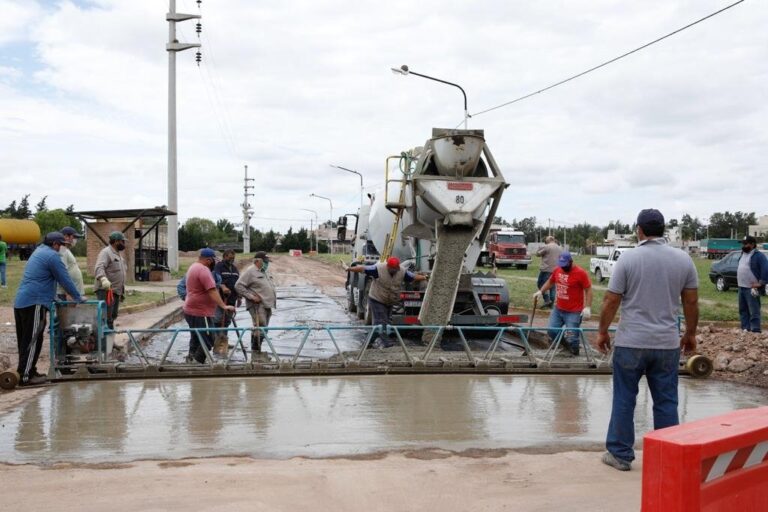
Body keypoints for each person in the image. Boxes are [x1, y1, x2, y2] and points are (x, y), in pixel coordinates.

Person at [597, 208, 698, 472]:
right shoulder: (683, 260)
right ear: (663, 230)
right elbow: (691, 301)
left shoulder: (628, 259)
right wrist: (690, 333)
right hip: (666, 344)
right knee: (666, 401)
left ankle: (620, 455)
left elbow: (611, 300)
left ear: (639, 230)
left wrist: (602, 332)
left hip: (631, 342)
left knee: (624, 398)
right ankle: (668, 458)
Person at [14, 232, 84, 386]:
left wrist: (55, 298)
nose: (62, 248)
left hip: (22, 302)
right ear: (55, 244)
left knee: (25, 340)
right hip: (34, 303)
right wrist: (78, 298)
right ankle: (25, 377)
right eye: (62, 245)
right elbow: (64, 279)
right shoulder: (52, 256)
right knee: (33, 340)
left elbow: (41, 280)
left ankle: (29, 370)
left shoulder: (39, 252)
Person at [343, 256, 428, 347]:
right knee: (381, 321)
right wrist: (349, 268)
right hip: (377, 299)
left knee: (385, 323)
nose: (395, 271)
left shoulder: (402, 271)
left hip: (389, 300)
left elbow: (413, 277)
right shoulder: (378, 269)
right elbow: (362, 268)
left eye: (396, 269)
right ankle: (387, 343)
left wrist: (424, 277)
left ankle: (368, 343)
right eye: (393, 269)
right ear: (388, 267)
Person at [533, 251, 592, 356]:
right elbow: (551, 281)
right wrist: (541, 291)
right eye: (561, 265)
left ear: (571, 261)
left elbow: (588, 290)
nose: (563, 267)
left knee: (572, 336)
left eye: (565, 265)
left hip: (574, 311)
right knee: (552, 331)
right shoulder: (557, 270)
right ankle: (566, 347)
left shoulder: (580, 273)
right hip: (558, 308)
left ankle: (574, 353)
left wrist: (587, 307)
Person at [183, 248, 235, 363]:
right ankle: (198, 362)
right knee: (209, 339)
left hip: (190, 310)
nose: (215, 264)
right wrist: (223, 306)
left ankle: (191, 360)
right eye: (213, 261)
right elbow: (212, 290)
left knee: (196, 338)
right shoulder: (203, 270)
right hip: (201, 312)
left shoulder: (193, 267)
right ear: (208, 260)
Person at [235, 251, 276, 357]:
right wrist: (251, 297)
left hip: (267, 304)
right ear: (258, 261)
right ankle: (256, 351)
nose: (267, 263)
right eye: (265, 261)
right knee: (260, 327)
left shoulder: (264, 271)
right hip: (257, 305)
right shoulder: (250, 271)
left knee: (263, 328)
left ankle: (256, 350)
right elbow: (238, 286)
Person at [94, 231, 127, 330]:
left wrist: (121, 291)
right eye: (122, 241)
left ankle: (110, 342)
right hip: (105, 291)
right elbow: (99, 267)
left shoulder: (117, 254)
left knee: (112, 317)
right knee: (105, 318)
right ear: (116, 241)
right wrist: (103, 279)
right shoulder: (106, 252)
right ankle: (105, 343)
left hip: (115, 291)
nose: (124, 244)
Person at [735, 235, 768, 333]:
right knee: (743, 309)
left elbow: (766, 269)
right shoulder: (743, 254)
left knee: (754, 310)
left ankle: (755, 330)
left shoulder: (759, 256)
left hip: (752, 288)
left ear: (753, 245)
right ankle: (745, 328)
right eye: (743, 244)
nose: (743, 245)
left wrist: (761, 282)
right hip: (741, 287)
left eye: (746, 244)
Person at [213, 249, 240, 328]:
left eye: (233, 258)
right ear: (225, 257)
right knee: (218, 319)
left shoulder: (234, 268)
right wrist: (222, 286)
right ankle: (216, 338)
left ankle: (224, 339)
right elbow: (214, 279)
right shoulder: (219, 266)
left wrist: (239, 297)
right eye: (230, 257)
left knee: (227, 321)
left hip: (232, 299)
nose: (232, 259)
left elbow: (238, 283)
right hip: (221, 298)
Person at [56, 226, 85, 300]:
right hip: (65, 294)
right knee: (65, 312)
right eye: (74, 237)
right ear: (66, 237)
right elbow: (62, 273)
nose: (75, 240)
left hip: (72, 293)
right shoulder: (62, 250)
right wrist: (68, 293)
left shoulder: (66, 250)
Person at [535, 236, 562, 308]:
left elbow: (537, 254)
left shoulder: (547, 247)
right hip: (556, 270)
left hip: (546, 269)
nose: (545, 241)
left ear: (549, 240)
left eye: (546, 240)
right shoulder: (559, 248)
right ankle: (552, 304)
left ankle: (547, 299)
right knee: (552, 286)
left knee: (540, 284)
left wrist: (539, 248)